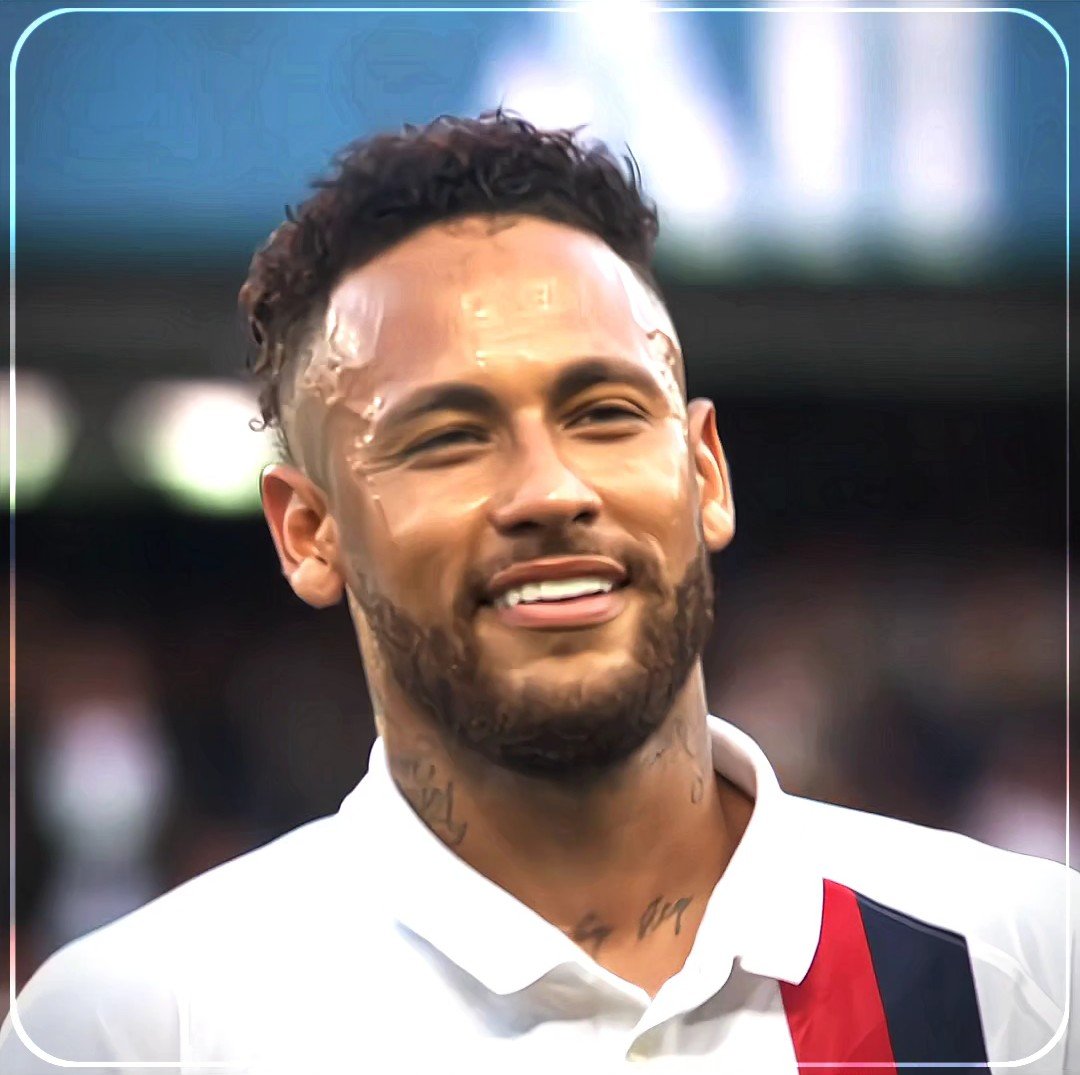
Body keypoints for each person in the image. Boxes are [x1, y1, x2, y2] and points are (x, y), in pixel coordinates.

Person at [2, 110, 1074, 1074]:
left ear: (704, 472)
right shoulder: (132, 1033)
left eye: (604, 414)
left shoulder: (1029, 971)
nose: (551, 492)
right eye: (448, 438)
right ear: (309, 532)